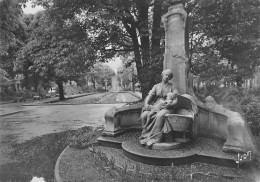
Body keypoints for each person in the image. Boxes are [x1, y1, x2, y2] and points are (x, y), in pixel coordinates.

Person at [139, 69, 178, 147]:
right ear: (162, 75)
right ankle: (145, 135)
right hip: (156, 106)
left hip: (167, 107)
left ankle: (155, 138)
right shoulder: (156, 86)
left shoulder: (172, 87)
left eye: (169, 76)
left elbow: (176, 100)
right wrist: (146, 103)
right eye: (166, 75)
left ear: (170, 78)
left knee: (159, 116)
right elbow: (150, 95)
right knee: (144, 115)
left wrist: (170, 105)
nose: (167, 77)